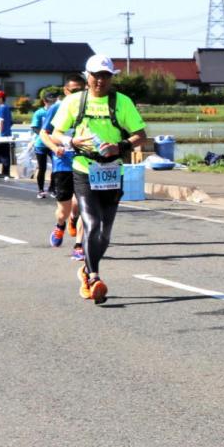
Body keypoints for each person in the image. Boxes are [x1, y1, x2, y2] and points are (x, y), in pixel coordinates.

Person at [48, 55, 147, 303]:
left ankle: (85, 270)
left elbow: (140, 135)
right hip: (84, 168)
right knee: (91, 224)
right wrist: (71, 141)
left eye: (105, 75)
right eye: (96, 75)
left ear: (111, 77)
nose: (100, 81)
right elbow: (55, 133)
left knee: (105, 233)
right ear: (87, 76)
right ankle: (94, 277)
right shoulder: (74, 102)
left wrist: (120, 145)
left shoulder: (122, 102)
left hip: (113, 171)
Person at [40, 74, 87, 259]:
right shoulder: (58, 108)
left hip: (84, 163)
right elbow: (44, 134)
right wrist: (54, 147)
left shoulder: (88, 108)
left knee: (84, 205)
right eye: (73, 91)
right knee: (63, 211)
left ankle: (79, 246)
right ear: (66, 91)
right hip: (63, 164)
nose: (77, 94)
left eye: (81, 91)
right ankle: (61, 225)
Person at [31, 91, 59, 198]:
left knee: (56, 167)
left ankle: (52, 188)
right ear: (44, 101)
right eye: (49, 102)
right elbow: (35, 127)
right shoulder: (39, 113)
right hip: (41, 144)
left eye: (53, 102)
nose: (51, 104)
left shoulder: (57, 112)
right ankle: (40, 189)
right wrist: (44, 136)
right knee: (42, 168)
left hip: (54, 143)